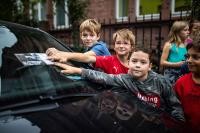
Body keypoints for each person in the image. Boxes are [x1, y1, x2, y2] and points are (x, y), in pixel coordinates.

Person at [54, 47, 185, 122]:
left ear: (150, 66)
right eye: (134, 61)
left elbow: (176, 107)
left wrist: (177, 125)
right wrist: (78, 70)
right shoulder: (125, 79)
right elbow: (104, 77)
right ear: (129, 63)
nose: (137, 65)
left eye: (143, 62)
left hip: (160, 123)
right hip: (140, 120)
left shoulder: (161, 82)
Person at [47, 28, 135, 74]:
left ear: (131, 47)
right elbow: (87, 58)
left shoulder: (135, 65)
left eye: (125, 43)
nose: (121, 46)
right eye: (118, 43)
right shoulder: (109, 60)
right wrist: (61, 54)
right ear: (114, 46)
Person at [174, 27, 200, 133]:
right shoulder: (181, 83)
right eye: (187, 56)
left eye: (195, 57)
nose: (189, 60)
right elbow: (173, 111)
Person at [46, 18, 111, 58]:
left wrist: (59, 52)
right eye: (85, 35)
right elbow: (81, 62)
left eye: (92, 35)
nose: (88, 38)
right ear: (81, 36)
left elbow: (83, 56)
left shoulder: (100, 47)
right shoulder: (88, 48)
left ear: (98, 36)